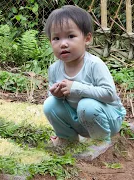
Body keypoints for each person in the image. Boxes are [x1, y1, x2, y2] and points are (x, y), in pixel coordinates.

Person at [43, 5, 126, 159]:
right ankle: (67, 139)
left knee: (86, 105)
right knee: (50, 104)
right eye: (56, 38)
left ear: (87, 39)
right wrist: (56, 94)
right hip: (80, 121)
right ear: (50, 42)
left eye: (70, 36)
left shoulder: (94, 65)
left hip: (108, 119)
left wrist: (76, 88)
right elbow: (56, 98)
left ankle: (100, 142)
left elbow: (110, 94)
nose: (63, 43)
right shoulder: (54, 68)